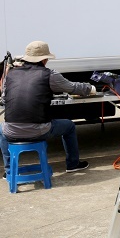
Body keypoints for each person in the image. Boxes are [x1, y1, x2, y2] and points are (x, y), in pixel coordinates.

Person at [0, 41, 95, 179]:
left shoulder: (11, 74)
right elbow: (73, 88)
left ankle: (9, 171)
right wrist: (90, 88)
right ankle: (73, 164)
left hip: (11, 131)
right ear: (44, 59)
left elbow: (3, 100)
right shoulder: (49, 75)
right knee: (69, 126)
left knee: (2, 129)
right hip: (39, 130)